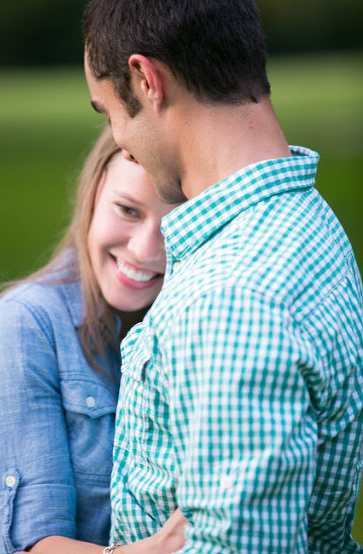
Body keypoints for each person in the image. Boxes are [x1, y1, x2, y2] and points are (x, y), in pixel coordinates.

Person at [83, 0, 363, 551]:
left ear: (144, 79)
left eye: (107, 111)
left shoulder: (229, 298)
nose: (118, 138)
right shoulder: (308, 218)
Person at [0, 127, 186, 553]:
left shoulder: (203, 327)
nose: (147, 249)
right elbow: (34, 545)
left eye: (175, 224)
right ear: (91, 196)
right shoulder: (25, 324)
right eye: (128, 210)